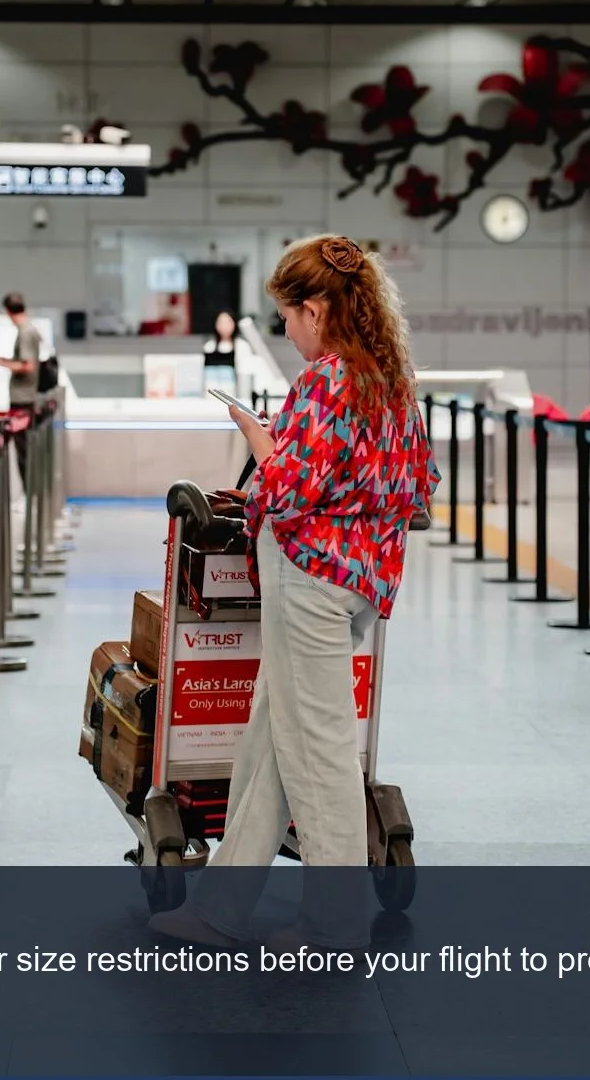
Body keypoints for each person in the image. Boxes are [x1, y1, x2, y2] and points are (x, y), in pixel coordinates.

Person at [151, 234, 438, 951]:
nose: (286, 330)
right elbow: (419, 484)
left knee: (320, 756)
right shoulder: (391, 378)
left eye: (288, 315)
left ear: (317, 309)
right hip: (362, 579)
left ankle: (335, 924)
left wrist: (259, 438)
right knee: (271, 744)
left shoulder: (327, 379)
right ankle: (219, 908)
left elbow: (284, 489)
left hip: (308, 580)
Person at [0, 292, 42, 487]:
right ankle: (30, 492)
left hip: (23, 398)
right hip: (28, 396)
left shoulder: (25, 332)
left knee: (24, 451)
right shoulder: (31, 330)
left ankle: (29, 492)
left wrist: (2, 363)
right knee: (25, 450)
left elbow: (28, 365)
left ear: (7, 311)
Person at [203, 309, 239, 396]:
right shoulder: (209, 346)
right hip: (212, 393)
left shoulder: (241, 346)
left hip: (233, 394)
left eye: (228, 322)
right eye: (221, 322)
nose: (224, 326)